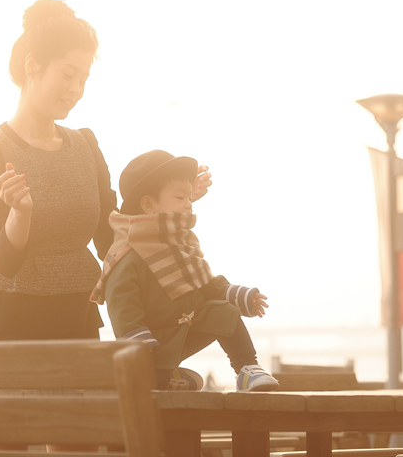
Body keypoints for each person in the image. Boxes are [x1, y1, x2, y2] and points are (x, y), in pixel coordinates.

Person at [0, 0, 212, 341]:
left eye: (84, 78)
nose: (76, 89)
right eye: (67, 74)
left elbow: (114, 239)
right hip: (6, 324)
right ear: (32, 65)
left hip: (77, 317)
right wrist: (20, 212)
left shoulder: (85, 144)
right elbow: (3, 262)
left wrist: (172, 202)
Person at [90, 150, 279, 392]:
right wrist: (137, 341)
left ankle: (247, 368)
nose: (189, 203)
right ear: (148, 204)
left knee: (224, 311)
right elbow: (122, 304)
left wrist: (239, 295)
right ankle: (166, 376)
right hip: (153, 344)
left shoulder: (179, 246)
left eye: (189, 197)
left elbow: (204, 284)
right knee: (149, 383)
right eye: (180, 197)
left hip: (185, 328)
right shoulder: (129, 253)